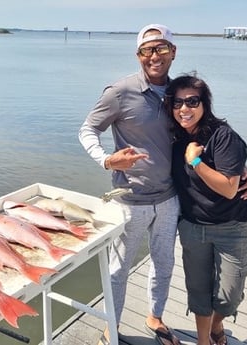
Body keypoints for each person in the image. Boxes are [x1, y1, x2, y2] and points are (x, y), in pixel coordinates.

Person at [79, 23, 183, 345]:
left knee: (164, 263)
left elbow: (204, 131)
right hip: (129, 201)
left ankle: (155, 317)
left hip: (169, 199)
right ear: (138, 55)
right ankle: (112, 325)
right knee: (117, 270)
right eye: (147, 50)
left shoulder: (182, 93)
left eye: (161, 48)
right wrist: (108, 160)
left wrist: (237, 165)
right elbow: (87, 130)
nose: (155, 55)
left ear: (173, 52)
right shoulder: (120, 91)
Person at [164, 74, 247, 345]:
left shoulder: (223, 136)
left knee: (228, 296)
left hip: (233, 228)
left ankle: (218, 324)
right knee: (199, 292)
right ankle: (204, 340)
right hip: (193, 227)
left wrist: (195, 161)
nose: (184, 109)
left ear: (205, 104)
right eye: (177, 102)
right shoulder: (174, 138)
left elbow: (229, 188)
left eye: (192, 101)